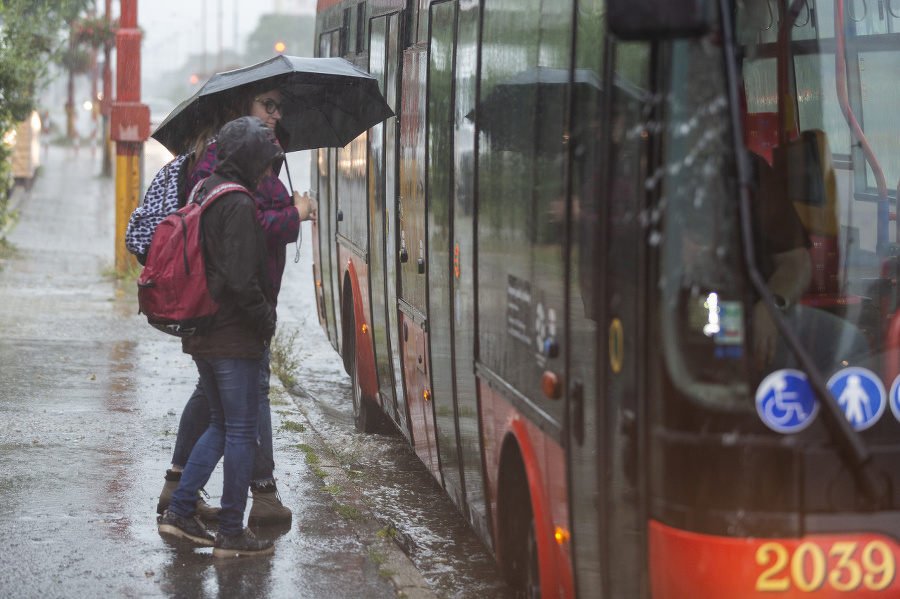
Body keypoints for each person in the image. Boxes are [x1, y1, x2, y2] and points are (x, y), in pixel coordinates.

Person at [156, 86, 318, 525]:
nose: (275, 114)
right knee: (242, 411)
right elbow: (242, 229)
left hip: (233, 310)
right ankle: (251, 504)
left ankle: (180, 492)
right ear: (242, 108)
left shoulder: (256, 155)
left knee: (216, 406)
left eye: (279, 106)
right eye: (267, 105)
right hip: (235, 313)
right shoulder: (222, 162)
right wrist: (296, 214)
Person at [158, 115, 282, 557]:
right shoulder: (239, 203)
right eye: (266, 160)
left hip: (202, 332)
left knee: (221, 423)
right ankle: (231, 531)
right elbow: (243, 280)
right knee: (242, 432)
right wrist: (265, 320)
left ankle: (179, 510)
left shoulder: (204, 188)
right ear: (249, 158)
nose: (270, 169)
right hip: (233, 336)